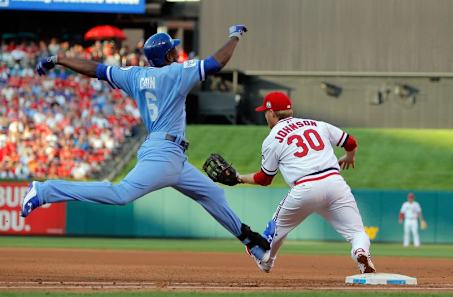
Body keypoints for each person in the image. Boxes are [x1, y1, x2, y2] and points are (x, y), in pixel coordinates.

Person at [22, 25, 270, 262]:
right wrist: (235, 36)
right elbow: (217, 62)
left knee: (212, 193)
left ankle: (250, 242)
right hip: (163, 155)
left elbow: (94, 69)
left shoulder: (135, 75)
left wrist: (59, 59)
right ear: (168, 55)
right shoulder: (176, 73)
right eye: (173, 49)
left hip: (172, 156)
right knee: (121, 194)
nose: (176, 52)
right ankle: (45, 191)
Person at [237, 91, 375, 274]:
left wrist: (239, 178)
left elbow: (264, 179)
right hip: (335, 184)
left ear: (271, 113)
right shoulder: (317, 124)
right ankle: (360, 252)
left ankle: (266, 261)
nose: (265, 116)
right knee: (357, 232)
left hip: (305, 188)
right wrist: (349, 157)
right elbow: (350, 142)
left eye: (265, 112)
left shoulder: (272, 139)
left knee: (275, 230)